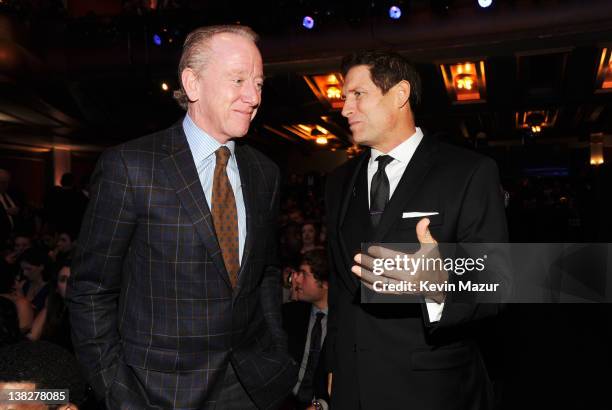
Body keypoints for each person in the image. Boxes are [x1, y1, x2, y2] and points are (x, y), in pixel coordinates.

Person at [66, 24, 297, 409]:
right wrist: (118, 394)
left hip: (252, 386)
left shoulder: (264, 173)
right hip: (158, 393)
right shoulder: (131, 166)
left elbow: (266, 274)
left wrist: (275, 350)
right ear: (192, 83)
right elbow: (90, 290)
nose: (253, 96)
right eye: (238, 79)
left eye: (258, 83)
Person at [324, 51, 510, 410]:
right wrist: (331, 366)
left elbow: (497, 281)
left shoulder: (468, 171)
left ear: (400, 94)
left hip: (431, 388)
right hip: (352, 385)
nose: (345, 109)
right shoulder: (338, 181)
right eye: (344, 98)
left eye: (358, 95)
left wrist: (438, 283)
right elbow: (339, 288)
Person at [282, 249, 330, 410]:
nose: (297, 279)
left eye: (304, 274)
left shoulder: (343, 323)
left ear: (324, 283)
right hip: (285, 400)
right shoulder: (292, 314)